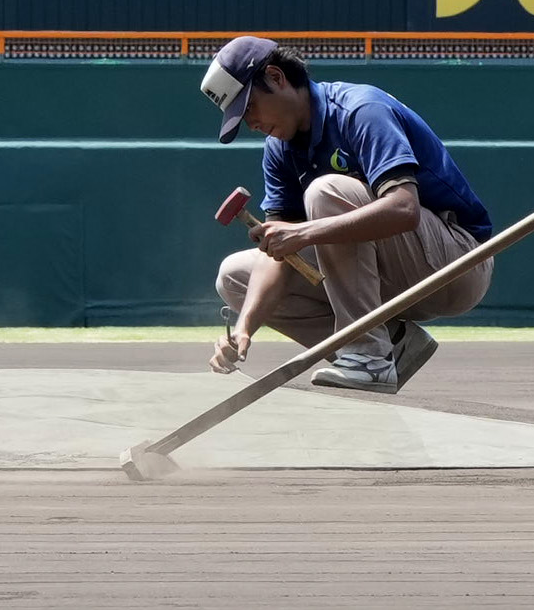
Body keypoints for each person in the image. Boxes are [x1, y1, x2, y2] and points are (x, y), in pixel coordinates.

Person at [198, 36, 496, 394]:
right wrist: (245, 328)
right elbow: (281, 251)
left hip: (457, 266)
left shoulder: (359, 109)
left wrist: (307, 233)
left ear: (276, 77)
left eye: (249, 107)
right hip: (386, 276)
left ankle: (367, 356)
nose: (251, 124)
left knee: (326, 192)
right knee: (234, 278)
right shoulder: (279, 149)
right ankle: (395, 345)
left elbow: (404, 209)